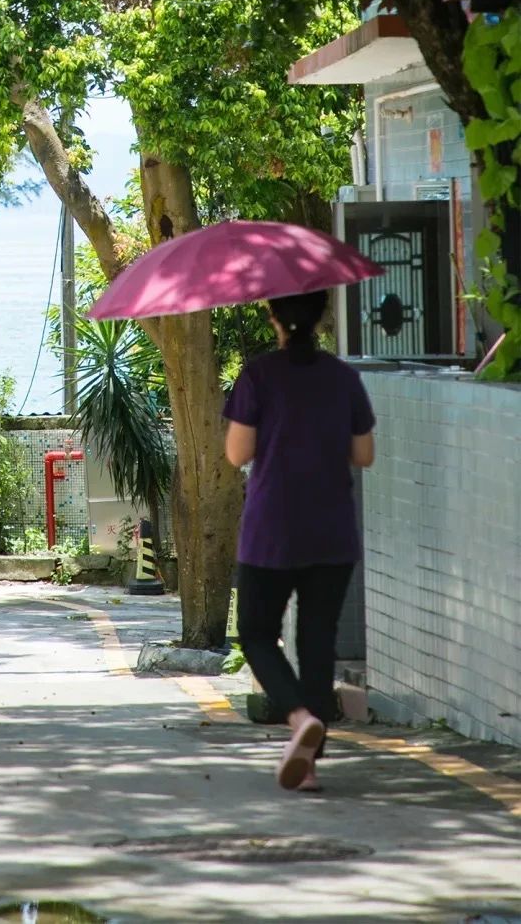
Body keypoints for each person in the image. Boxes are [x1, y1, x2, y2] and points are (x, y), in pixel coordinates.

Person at [223, 288, 375, 792]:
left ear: (273, 317)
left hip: (272, 529)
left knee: (257, 632)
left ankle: (297, 720)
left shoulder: (259, 375)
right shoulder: (344, 378)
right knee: (317, 643)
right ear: (322, 316)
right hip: (332, 530)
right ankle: (308, 764)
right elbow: (364, 454)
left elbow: (236, 452)